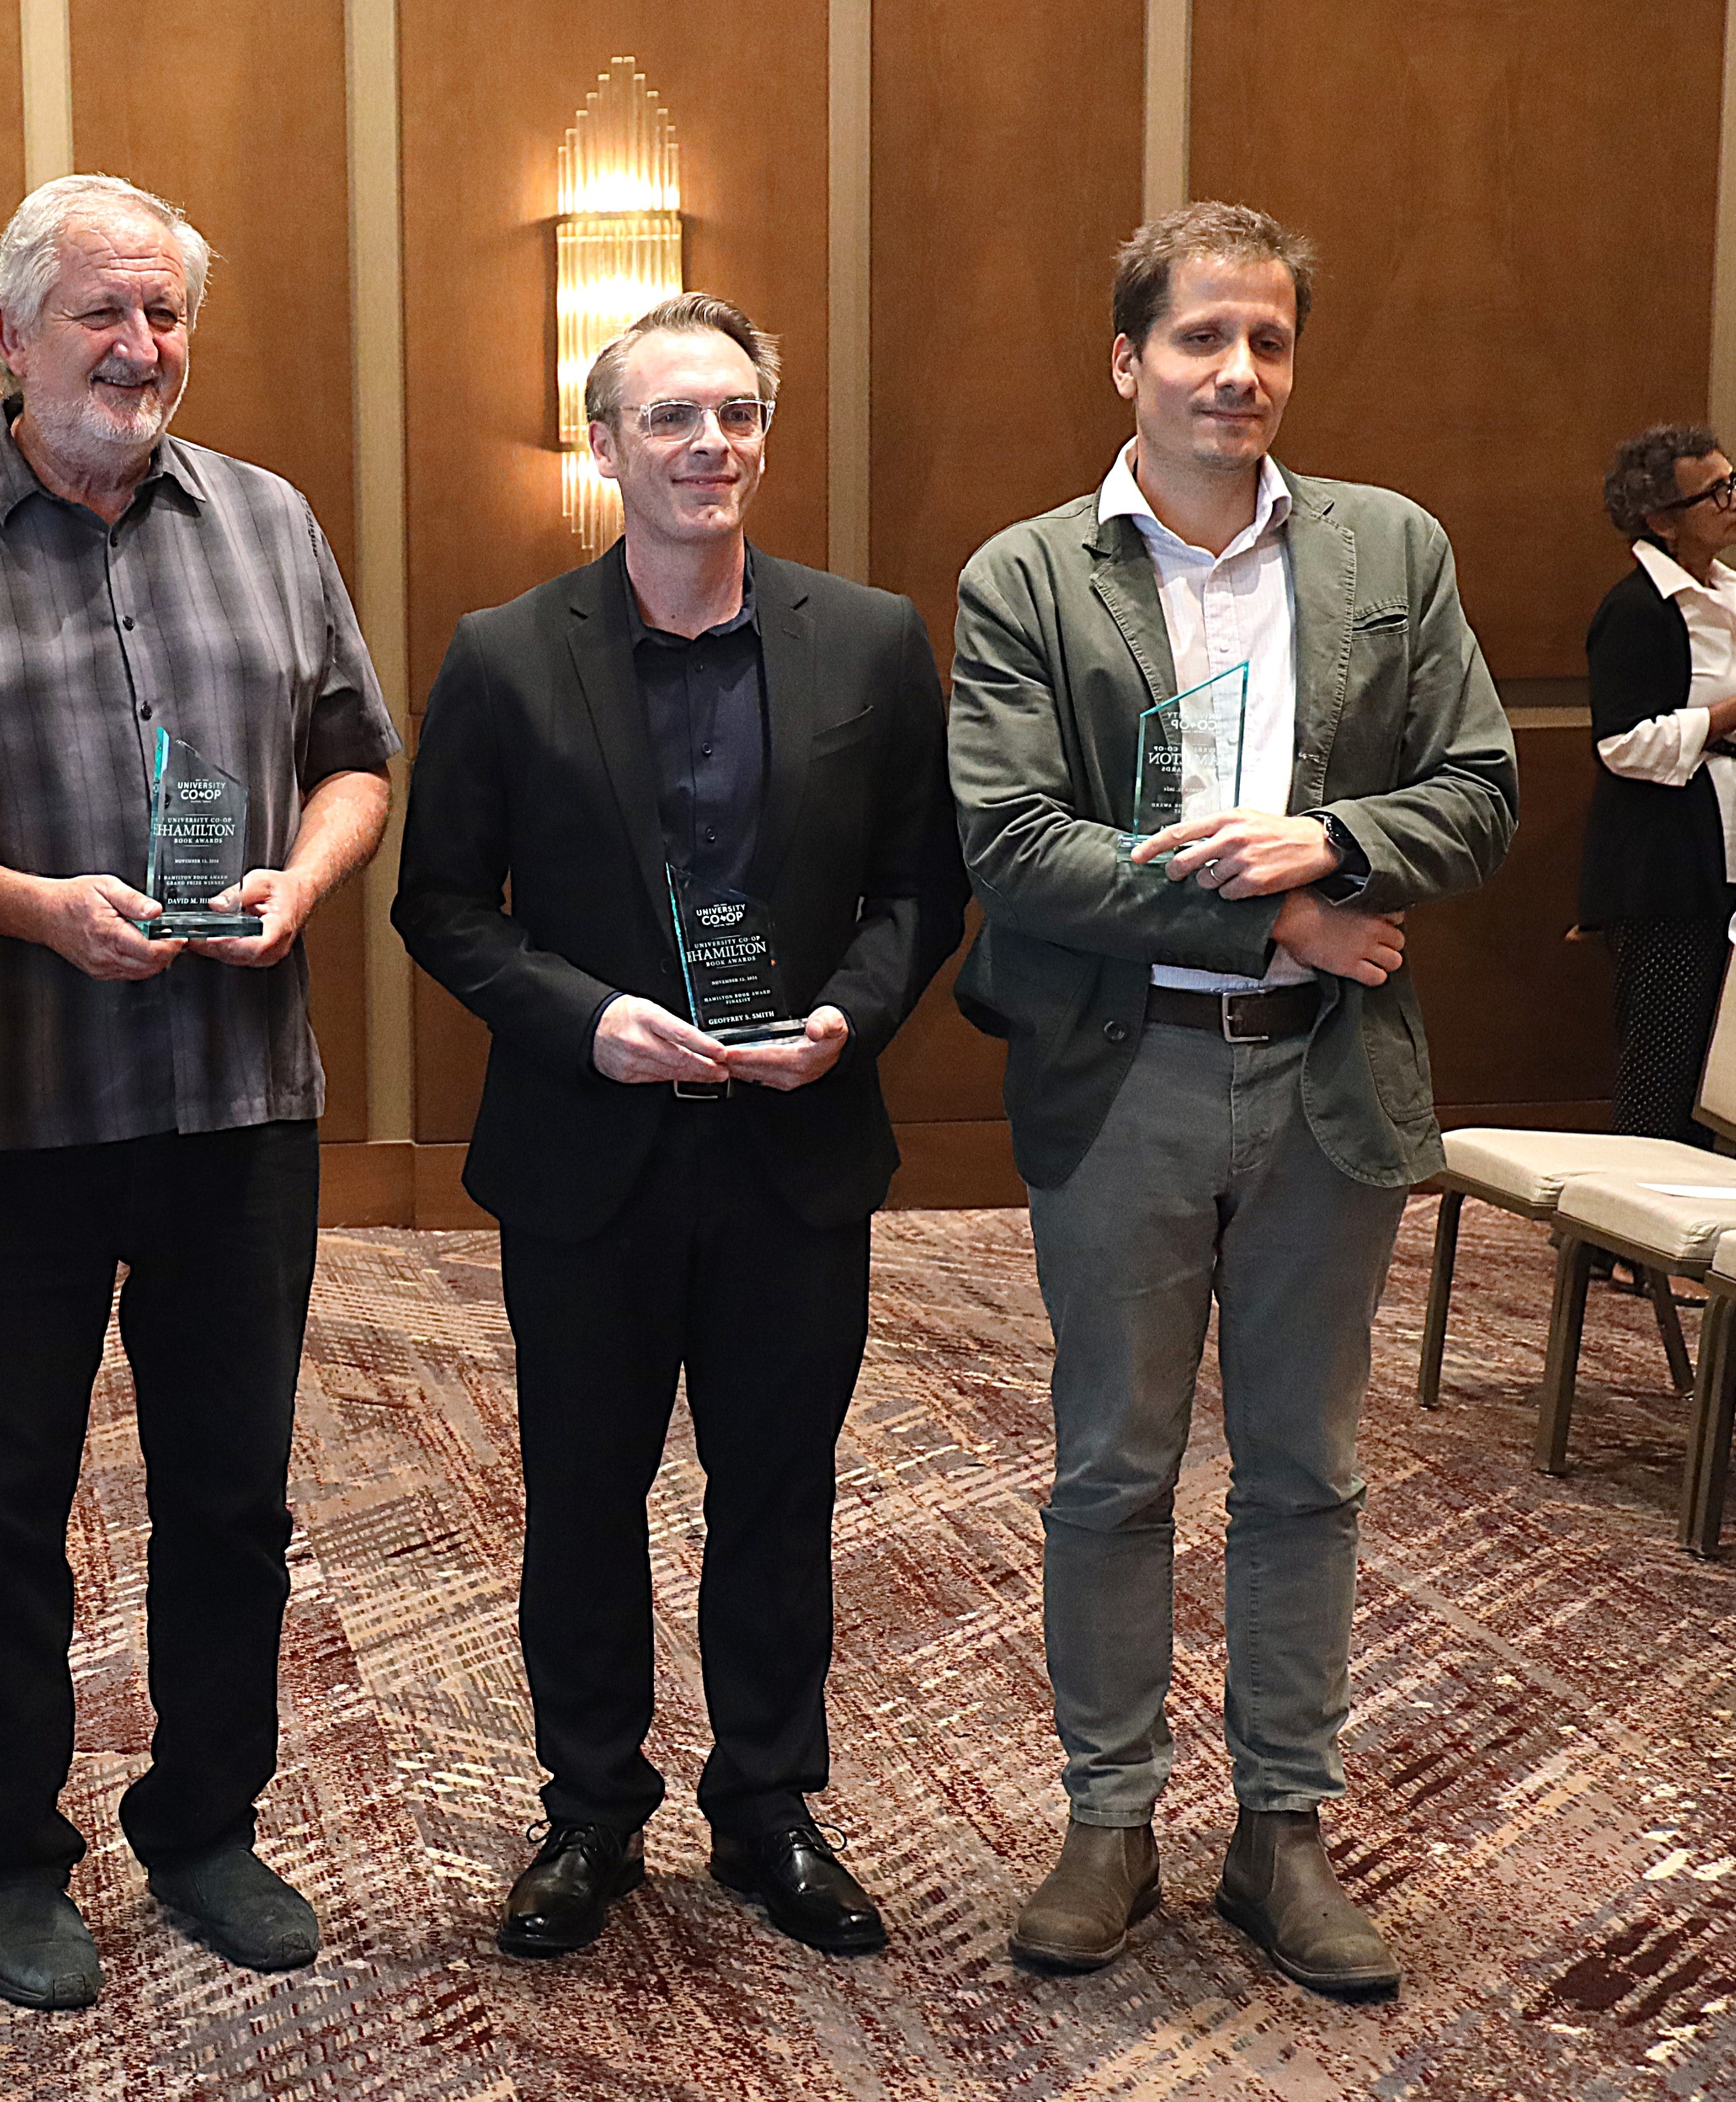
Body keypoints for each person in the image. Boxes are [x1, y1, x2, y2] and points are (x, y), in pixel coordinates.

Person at [0, 173, 397, 2010]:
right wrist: (31, 911)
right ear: (9, 337)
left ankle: (206, 1821)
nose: (137, 350)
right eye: (99, 315)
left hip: (238, 1105)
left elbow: (355, 761)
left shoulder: (269, 521)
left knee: (230, 1496)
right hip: (2, 1115)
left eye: (161, 317)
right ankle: (7, 1849)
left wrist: (304, 884)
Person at [948, 201, 1517, 2000]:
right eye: (1200, 339)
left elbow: (1482, 791)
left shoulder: (1385, 552)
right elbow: (1017, 844)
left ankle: (1284, 1828)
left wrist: (1338, 839)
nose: (1237, 373)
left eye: (1267, 341)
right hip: (1125, 1083)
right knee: (1110, 1468)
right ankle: (1106, 1818)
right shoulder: (1026, 576)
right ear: (1127, 360)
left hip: (1325, 1089)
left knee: (1307, 1472)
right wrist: (1269, 902)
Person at [393, 294, 967, 1964]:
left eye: (735, 415)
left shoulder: (865, 640)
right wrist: (586, 1020)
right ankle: (588, 1813)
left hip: (798, 1143)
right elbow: (444, 905)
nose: (708, 445)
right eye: (670, 419)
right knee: (585, 1488)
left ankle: (769, 1806)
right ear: (603, 448)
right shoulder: (505, 653)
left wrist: (851, 1017)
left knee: (776, 1490)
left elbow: (918, 886)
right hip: (591, 1153)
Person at [1583, 425, 1736, 1138]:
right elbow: (1622, 742)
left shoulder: (1728, 595)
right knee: (1664, 1065)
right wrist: (1729, 715)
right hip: (1665, 872)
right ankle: (1614, 1242)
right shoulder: (1638, 609)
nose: (1733, 502)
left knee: (1719, 1069)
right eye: (1716, 494)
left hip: (1724, 861)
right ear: (1661, 519)